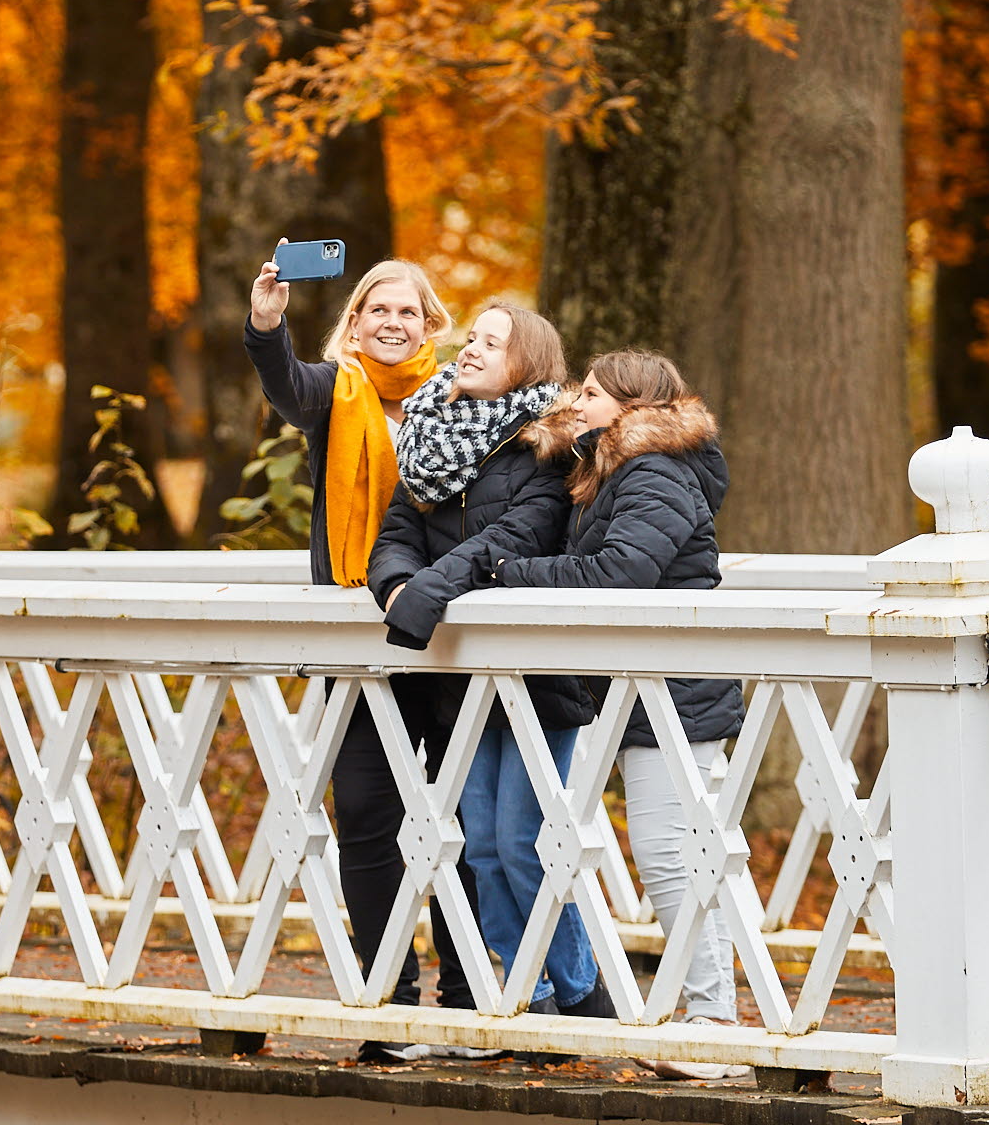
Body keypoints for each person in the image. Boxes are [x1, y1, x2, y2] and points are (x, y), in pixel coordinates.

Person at [488, 350, 745, 1081]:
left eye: (592, 392)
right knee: (669, 851)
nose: (577, 398)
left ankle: (715, 1024)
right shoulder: (612, 472)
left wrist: (512, 574)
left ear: (631, 408)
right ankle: (704, 1014)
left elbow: (618, 574)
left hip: (675, 695)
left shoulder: (655, 473)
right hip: (639, 695)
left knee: (673, 854)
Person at [243, 255, 468, 1056]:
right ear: (357, 321)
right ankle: (389, 999)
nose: (394, 322)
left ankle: (470, 998)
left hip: (446, 632)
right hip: (358, 638)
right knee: (369, 817)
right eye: (379, 309)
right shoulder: (336, 395)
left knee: (459, 818)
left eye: (409, 311)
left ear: (430, 323)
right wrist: (268, 324)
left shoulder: (460, 397)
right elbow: (285, 386)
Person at [366, 303, 609, 1019]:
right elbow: (397, 532)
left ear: (525, 362)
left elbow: (518, 534)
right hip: (463, 679)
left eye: (490, 342)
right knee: (478, 846)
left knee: (523, 841)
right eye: (469, 336)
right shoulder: (431, 438)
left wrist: (423, 597)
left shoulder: (550, 447)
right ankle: (528, 994)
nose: (469, 349)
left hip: (538, 675)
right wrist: (396, 585)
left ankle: (583, 991)